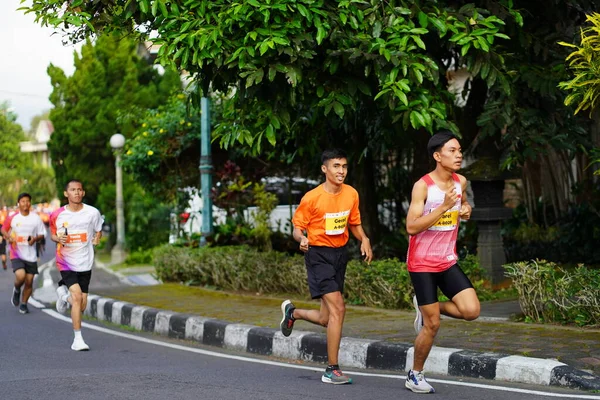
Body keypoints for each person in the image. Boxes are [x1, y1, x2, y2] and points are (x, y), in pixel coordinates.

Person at [279, 149, 373, 385]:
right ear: (325, 169)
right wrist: (301, 239)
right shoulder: (312, 198)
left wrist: (364, 239)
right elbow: (297, 228)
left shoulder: (351, 193)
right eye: (336, 166)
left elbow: (353, 224)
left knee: (325, 318)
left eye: (344, 166)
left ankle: (293, 313)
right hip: (318, 254)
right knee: (339, 309)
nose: (341, 171)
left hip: (339, 255)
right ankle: (332, 369)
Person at [404, 130, 480, 394]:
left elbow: (464, 205)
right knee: (433, 324)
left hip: (447, 260)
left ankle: (426, 307)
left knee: (471, 311)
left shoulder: (461, 181)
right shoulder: (422, 186)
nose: (458, 155)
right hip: (422, 263)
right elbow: (412, 227)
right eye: (452, 151)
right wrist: (442, 208)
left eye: (459, 150)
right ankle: (415, 375)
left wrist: (466, 210)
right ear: (437, 156)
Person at [49, 179, 103, 351]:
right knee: (78, 298)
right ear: (66, 193)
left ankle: (63, 296)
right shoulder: (57, 215)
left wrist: (97, 237)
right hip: (65, 261)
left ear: (83, 192)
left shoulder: (92, 213)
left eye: (79, 189)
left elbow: (98, 229)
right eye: (73, 190)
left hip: (85, 261)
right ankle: (77, 339)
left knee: (81, 304)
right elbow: (52, 235)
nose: (77, 193)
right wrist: (58, 238)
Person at [0, 193, 47, 314]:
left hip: (31, 254)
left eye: (28, 201)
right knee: (21, 276)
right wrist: (8, 237)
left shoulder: (35, 218)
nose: (25, 203)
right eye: (23, 201)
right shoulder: (13, 217)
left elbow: (42, 233)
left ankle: (24, 303)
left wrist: (35, 239)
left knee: (29, 281)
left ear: (30, 203)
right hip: (16, 253)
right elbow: (3, 229)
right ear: (18, 203)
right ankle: (16, 289)